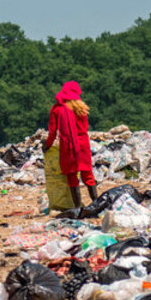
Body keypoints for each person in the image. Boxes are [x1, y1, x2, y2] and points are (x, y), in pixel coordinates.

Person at [43, 80, 99, 212]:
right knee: (88, 176)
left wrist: (47, 146)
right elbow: (84, 128)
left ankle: (77, 208)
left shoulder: (57, 109)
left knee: (72, 177)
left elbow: (52, 132)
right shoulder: (82, 108)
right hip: (83, 145)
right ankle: (97, 205)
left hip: (68, 146)